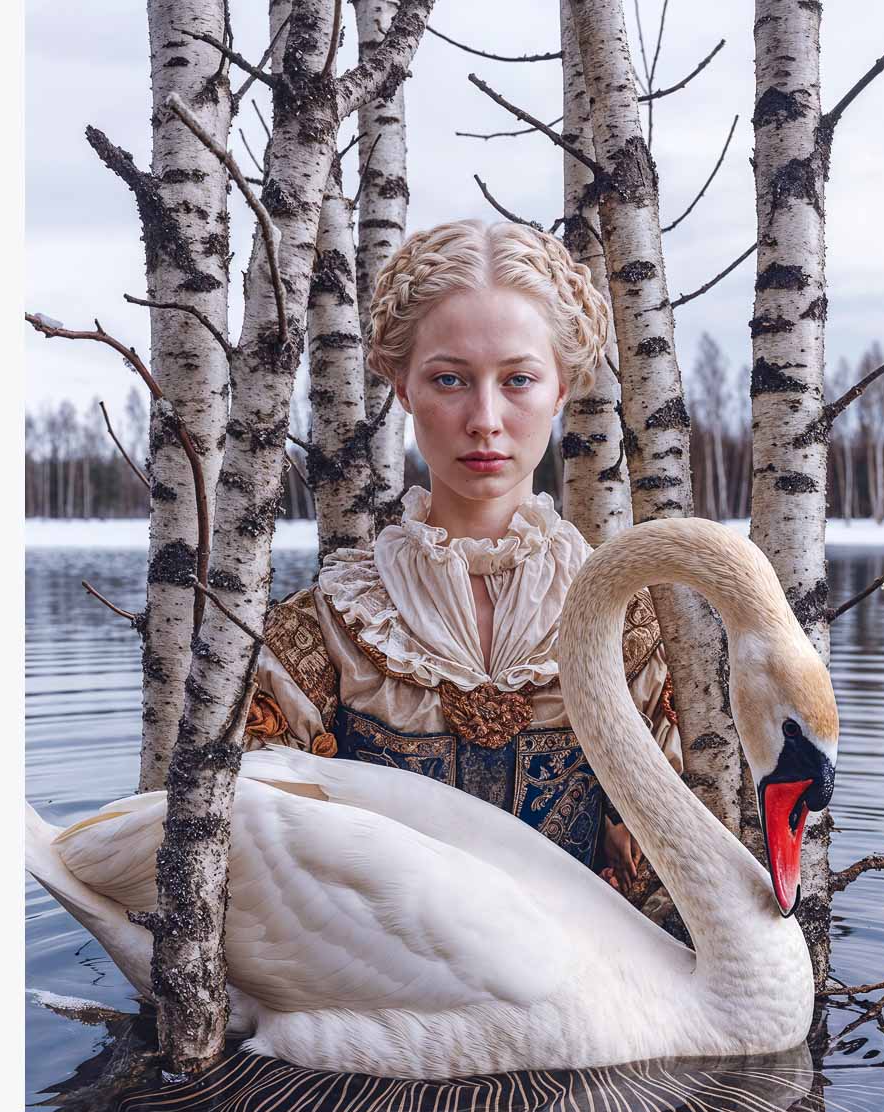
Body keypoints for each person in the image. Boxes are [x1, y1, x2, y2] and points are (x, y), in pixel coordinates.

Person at [245, 220, 682, 905]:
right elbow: (255, 869)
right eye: (450, 378)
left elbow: (666, 882)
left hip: (590, 1001)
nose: (484, 418)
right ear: (402, 384)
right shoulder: (325, 633)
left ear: (563, 388)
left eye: (518, 380)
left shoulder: (626, 627)